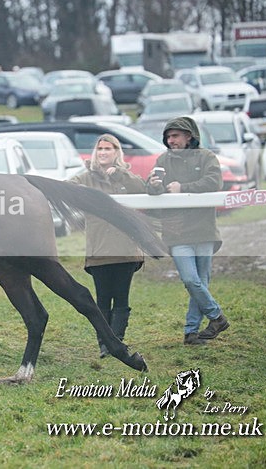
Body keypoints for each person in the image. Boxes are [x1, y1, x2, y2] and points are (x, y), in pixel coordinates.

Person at [146, 116, 229, 345]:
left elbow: (215, 182)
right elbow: (153, 189)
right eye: (168, 137)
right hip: (176, 233)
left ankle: (191, 333)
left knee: (200, 282)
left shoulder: (206, 157)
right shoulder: (163, 159)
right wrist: (153, 186)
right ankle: (217, 317)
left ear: (188, 136)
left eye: (175, 136)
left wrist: (183, 188)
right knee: (191, 280)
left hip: (204, 230)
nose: (170, 140)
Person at [70, 134, 146, 358]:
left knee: (121, 298)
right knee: (102, 299)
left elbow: (141, 188)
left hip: (125, 249)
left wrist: (120, 175)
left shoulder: (126, 177)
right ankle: (104, 343)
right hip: (99, 250)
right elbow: (67, 188)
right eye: (100, 149)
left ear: (116, 152)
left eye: (108, 149)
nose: (103, 152)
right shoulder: (85, 177)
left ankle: (116, 342)